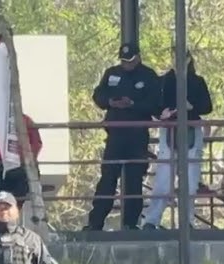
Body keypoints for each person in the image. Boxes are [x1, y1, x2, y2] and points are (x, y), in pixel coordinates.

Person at [85, 44, 161, 231]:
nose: (126, 64)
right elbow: (98, 95)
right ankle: (95, 223)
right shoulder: (111, 73)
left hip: (137, 135)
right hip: (115, 135)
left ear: (138, 58)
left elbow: (154, 104)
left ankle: (130, 223)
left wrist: (133, 104)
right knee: (108, 178)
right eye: (123, 61)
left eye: (130, 60)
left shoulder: (149, 76)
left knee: (134, 180)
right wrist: (110, 102)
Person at [140, 56, 213, 229]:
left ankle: (186, 221)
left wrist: (191, 106)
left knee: (190, 180)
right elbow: (154, 105)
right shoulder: (164, 81)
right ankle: (151, 221)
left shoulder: (197, 81)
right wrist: (161, 113)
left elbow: (207, 106)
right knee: (163, 179)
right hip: (169, 131)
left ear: (188, 59)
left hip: (191, 131)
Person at [0, 113, 42, 208]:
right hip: (0, 168)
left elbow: (36, 146)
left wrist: (22, 158)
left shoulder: (25, 120)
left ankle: (8, 214)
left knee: (17, 188)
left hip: (21, 167)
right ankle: (0, 217)